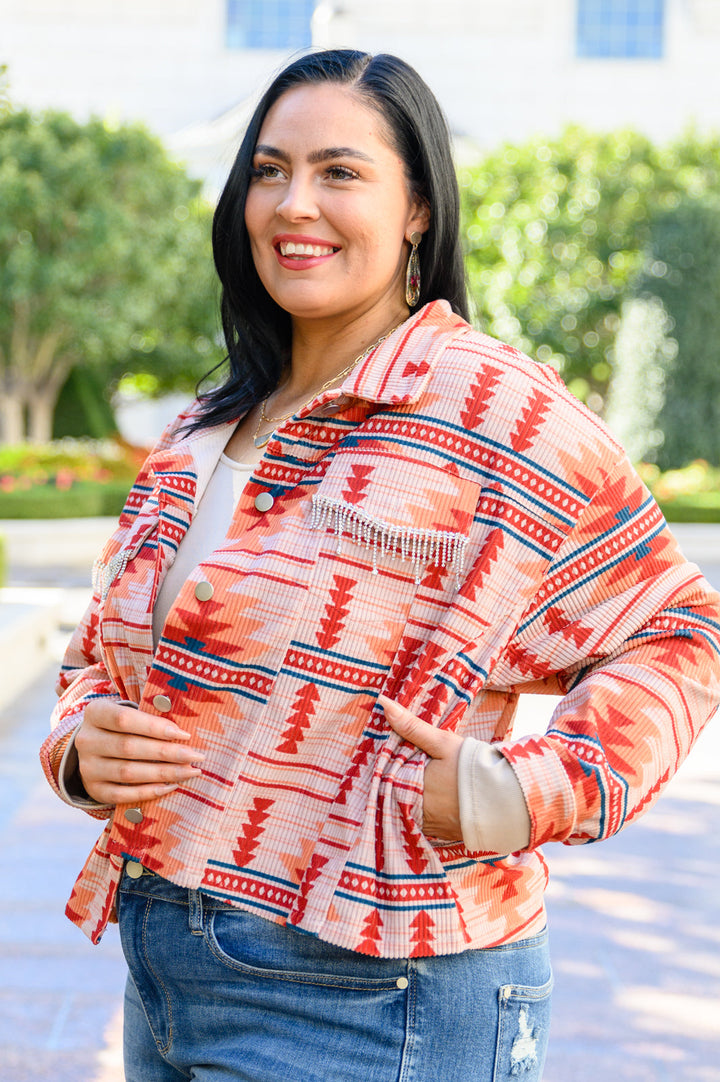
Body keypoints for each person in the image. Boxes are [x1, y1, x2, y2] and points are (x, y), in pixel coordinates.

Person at [41, 49, 720, 1082]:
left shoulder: (499, 416)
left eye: (340, 172)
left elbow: (680, 631)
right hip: (166, 967)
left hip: (380, 991)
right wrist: (80, 749)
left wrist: (520, 791)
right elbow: (99, 653)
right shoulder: (203, 426)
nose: (293, 203)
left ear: (418, 210)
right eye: (269, 171)